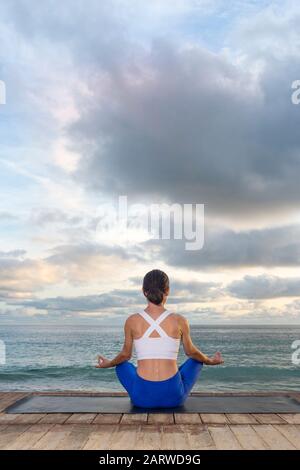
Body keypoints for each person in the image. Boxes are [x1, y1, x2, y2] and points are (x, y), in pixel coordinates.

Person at [96, 269, 224, 408]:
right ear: (167, 291)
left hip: (142, 399)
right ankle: (172, 384)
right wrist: (210, 361)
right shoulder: (180, 320)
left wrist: (108, 363)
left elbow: (125, 355)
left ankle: (139, 393)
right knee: (196, 360)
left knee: (121, 365)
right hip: (173, 398)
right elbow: (191, 352)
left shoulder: (132, 321)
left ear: (144, 291)